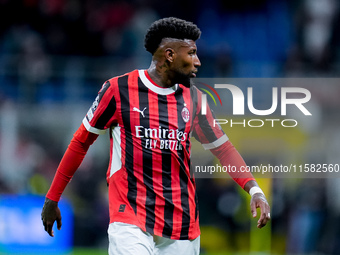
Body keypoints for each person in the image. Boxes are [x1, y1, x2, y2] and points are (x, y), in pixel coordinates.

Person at [41, 17, 270, 255]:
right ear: (169, 55)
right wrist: (52, 197)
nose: (198, 61)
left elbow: (223, 149)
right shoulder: (118, 90)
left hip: (182, 224)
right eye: (191, 53)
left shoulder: (195, 100)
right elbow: (81, 142)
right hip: (130, 217)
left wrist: (254, 190)